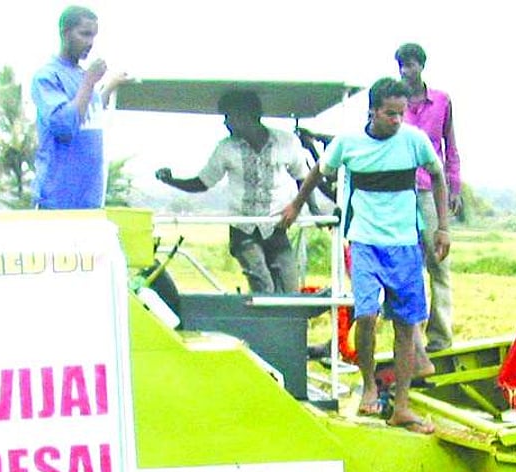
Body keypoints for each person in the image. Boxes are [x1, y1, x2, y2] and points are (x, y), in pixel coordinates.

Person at [280, 78, 450, 434]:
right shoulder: (349, 144)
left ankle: (401, 405)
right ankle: (370, 384)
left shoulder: (414, 142)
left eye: (401, 114)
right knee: (367, 314)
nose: (397, 120)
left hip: (404, 244)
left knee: (406, 325)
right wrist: (296, 205)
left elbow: (437, 175)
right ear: (373, 111)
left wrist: (442, 227)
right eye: (390, 113)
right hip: (365, 242)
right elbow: (317, 173)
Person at [155, 90, 310, 294]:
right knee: (264, 286)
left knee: (290, 287)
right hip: (243, 228)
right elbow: (203, 182)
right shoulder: (226, 149)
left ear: (249, 116)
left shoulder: (286, 142)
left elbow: (305, 178)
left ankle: (289, 324)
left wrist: (300, 207)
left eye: (231, 117)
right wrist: (171, 180)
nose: (226, 124)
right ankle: (262, 324)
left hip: (276, 225)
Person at [396, 42, 462, 355]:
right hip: (398, 190)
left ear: (421, 66)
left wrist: (454, 188)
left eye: (410, 65)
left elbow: (450, 147)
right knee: (407, 265)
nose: (406, 71)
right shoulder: (394, 104)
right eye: (402, 66)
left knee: (439, 262)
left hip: (430, 189)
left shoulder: (442, 102)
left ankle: (441, 335)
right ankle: (414, 340)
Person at [31, 5, 131, 210]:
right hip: (58, 199)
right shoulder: (47, 76)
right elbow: (65, 126)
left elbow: (89, 113)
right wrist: (89, 81)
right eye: (84, 34)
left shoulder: (81, 75)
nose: (90, 43)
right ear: (65, 33)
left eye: (93, 36)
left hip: (90, 197)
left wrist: (109, 85)